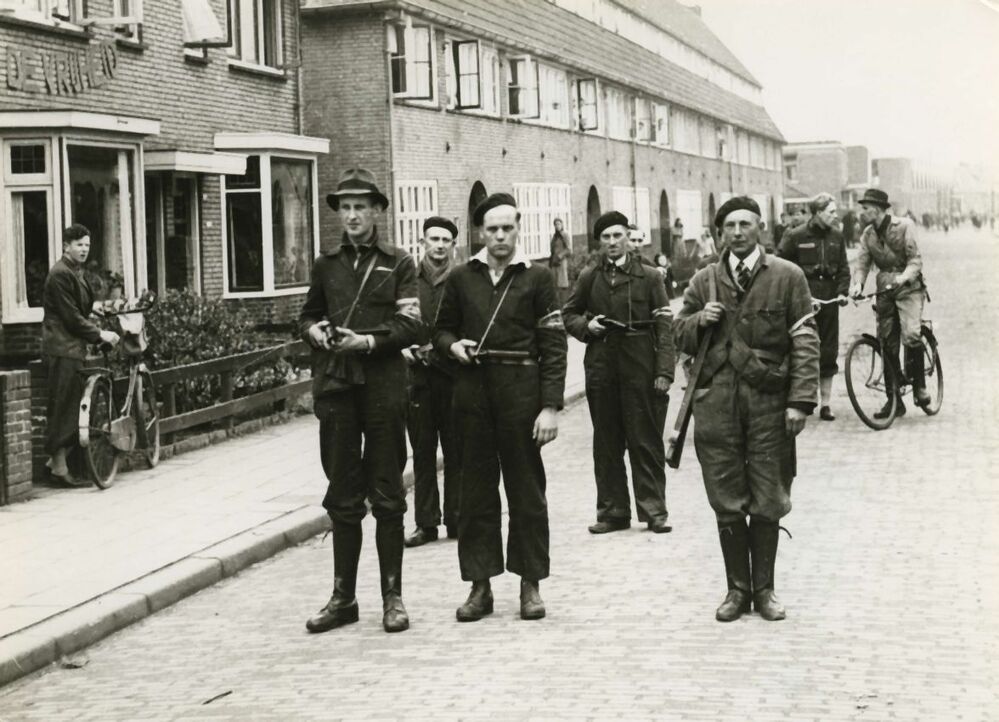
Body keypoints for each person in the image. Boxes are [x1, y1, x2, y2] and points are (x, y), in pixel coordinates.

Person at [674, 196, 819, 623]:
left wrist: (799, 401)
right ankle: (737, 589)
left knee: (768, 491)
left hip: (768, 400)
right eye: (729, 226)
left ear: (761, 228)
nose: (737, 233)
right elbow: (676, 333)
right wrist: (698, 320)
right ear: (719, 233)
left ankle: (765, 590)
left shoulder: (788, 276)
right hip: (716, 402)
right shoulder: (703, 280)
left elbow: (805, 339)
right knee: (725, 494)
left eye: (745, 224)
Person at [433, 192, 567, 622]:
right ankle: (480, 586)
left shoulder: (537, 277)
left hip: (521, 397)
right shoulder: (461, 277)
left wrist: (550, 407)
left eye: (508, 228)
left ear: (518, 228)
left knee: (527, 493)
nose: (501, 236)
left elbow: (554, 344)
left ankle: (531, 583)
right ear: (480, 233)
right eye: (492, 229)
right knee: (474, 494)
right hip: (473, 397)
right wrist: (453, 346)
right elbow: (440, 331)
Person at [298, 168, 421, 635]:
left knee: (388, 494)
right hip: (337, 391)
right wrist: (314, 331)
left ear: (377, 212)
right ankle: (343, 599)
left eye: (360, 207)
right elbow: (307, 316)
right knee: (343, 495)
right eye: (345, 208)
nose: (351, 216)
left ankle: (393, 598)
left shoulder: (399, 262)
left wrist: (366, 342)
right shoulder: (325, 265)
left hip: (384, 388)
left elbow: (412, 326)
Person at [563, 211, 676, 535]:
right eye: (606, 237)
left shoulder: (650, 276)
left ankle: (654, 511)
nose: (612, 242)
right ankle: (613, 512)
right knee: (607, 441)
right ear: (599, 242)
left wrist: (664, 371)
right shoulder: (589, 277)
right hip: (602, 366)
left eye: (617, 235)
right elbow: (568, 314)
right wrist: (587, 326)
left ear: (628, 236)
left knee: (645, 439)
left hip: (640, 363)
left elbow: (665, 326)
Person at [42, 224, 121, 487]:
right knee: (63, 406)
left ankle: (56, 464)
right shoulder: (60, 274)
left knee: (73, 404)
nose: (84, 249)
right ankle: (58, 467)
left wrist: (96, 308)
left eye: (87, 244)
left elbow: (79, 306)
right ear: (66, 246)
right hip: (62, 347)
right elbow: (71, 317)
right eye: (79, 245)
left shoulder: (75, 271)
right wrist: (100, 334)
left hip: (72, 347)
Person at [403, 217, 461, 548]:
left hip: (453, 376)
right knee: (422, 451)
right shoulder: (408, 280)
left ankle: (456, 518)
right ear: (422, 242)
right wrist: (402, 347)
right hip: (419, 379)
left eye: (445, 240)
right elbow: (395, 320)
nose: (439, 245)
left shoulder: (462, 279)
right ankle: (425, 523)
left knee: (456, 450)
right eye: (433, 239)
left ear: (453, 245)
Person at [849, 189, 929, 417]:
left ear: (878, 209)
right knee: (886, 343)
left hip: (908, 287)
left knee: (911, 334)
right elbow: (862, 263)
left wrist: (903, 277)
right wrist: (858, 285)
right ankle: (893, 400)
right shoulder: (867, 234)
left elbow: (915, 260)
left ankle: (920, 386)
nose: (862, 212)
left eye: (865, 208)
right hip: (884, 288)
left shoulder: (904, 226)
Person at [778, 193, 850, 421]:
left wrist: (842, 292)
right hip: (802, 302)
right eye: (831, 212)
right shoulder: (796, 236)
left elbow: (843, 269)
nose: (835, 216)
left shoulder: (837, 236)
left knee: (828, 351)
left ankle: (826, 404)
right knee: (799, 348)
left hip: (829, 301)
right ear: (818, 213)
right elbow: (781, 267)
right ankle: (797, 399)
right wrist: (798, 296)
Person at [549, 218, 571, 305]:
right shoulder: (555, 237)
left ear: (562, 225)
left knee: (563, 284)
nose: (557, 226)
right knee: (555, 284)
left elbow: (569, 249)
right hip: (554, 262)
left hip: (562, 262)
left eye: (559, 224)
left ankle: (565, 304)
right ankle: (557, 304)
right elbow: (552, 250)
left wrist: (560, 256)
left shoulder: (564, 235)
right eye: (555, 224)